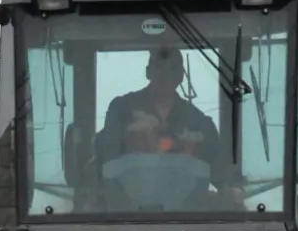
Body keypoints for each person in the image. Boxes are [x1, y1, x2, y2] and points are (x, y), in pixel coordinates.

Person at [94, 45, 244, 206]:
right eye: (159, 68)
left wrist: (232, 191)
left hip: (187, 218)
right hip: (126, 216)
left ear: (180, 76)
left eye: (172, 69)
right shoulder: (121, 110)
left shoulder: (200, 122)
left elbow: (220, 171)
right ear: (148, 72)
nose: (164, 76)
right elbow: (105, 158)